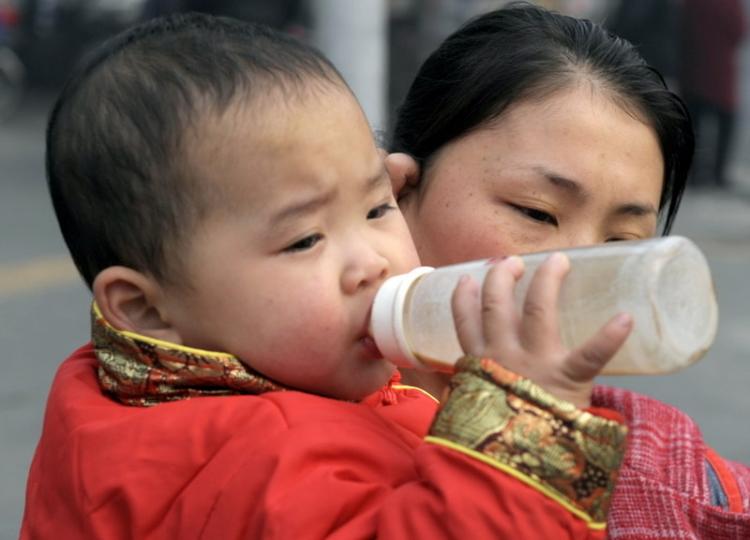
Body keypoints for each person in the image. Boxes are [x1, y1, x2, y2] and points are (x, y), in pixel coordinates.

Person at [21, 12, 631, 539]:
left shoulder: (127, 397)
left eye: (375, 208)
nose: (373, 260)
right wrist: (526, 425)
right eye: (305, 239)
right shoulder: (258, 453)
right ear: (146, 309)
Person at [386, 4, 750, 539]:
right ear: (398, 192)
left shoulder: (682, 480)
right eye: (536, 212)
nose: (577, 273)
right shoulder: (266, 435)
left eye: (622, 244)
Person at [680, 0, 746, 189]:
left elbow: (681, 27)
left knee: (693, 124)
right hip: (721, 71)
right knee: (726, 122)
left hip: (694, 69)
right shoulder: (731, 3)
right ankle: (718, 173)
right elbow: (740, 30)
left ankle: (694, 173)